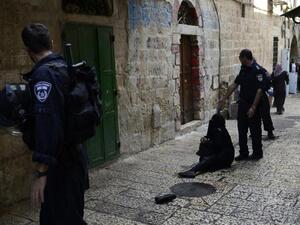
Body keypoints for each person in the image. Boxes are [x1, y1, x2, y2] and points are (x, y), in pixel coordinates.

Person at [21, 23, 88, 225]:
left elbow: (48, 124)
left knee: (62, 219)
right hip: (76, 157)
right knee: (67, 216)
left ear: (28, 51)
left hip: (61, 166)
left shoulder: (44, 76)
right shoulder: (65, 68)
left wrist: (42, 172)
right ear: (51, 42)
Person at [218, 49, 268, 161]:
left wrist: (253, 107)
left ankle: (257, 153)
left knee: (255, 130)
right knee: (242, 129)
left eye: (241, 59)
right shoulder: (243, 70)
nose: (240, 61)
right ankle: (243, 152)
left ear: (245, 58)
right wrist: (224, 99)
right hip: (243, 104)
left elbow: (260, 90)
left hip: (253, 105)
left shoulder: (257, 70)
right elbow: (234, 85)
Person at [178, 114, 234, 178]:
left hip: (226, 157)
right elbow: (209, 136)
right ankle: (196, 169)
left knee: (208, 158)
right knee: (204, 158)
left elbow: (218, 146)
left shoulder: (221, 131)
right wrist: (204, 139)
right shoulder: (214, 128)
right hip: (218, 152)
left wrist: (208, 142)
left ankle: (193, 171)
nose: (211, 122)